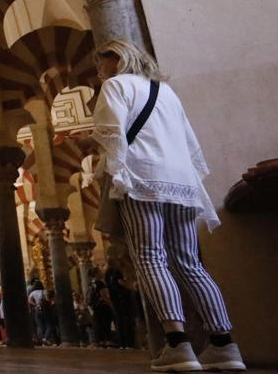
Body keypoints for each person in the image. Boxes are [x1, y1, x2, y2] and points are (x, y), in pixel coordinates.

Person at [93, 40, 246, 372]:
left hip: (142, 179)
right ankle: (224, 345)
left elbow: (111, 135)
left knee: (150, 258)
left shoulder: (115, 85)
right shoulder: (167, 93)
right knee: (189, 262)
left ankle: (178, 345)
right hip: (181, 183)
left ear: (116, 60)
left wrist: (118, 176)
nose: (99, 71)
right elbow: (189, 143)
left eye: (101, 64)